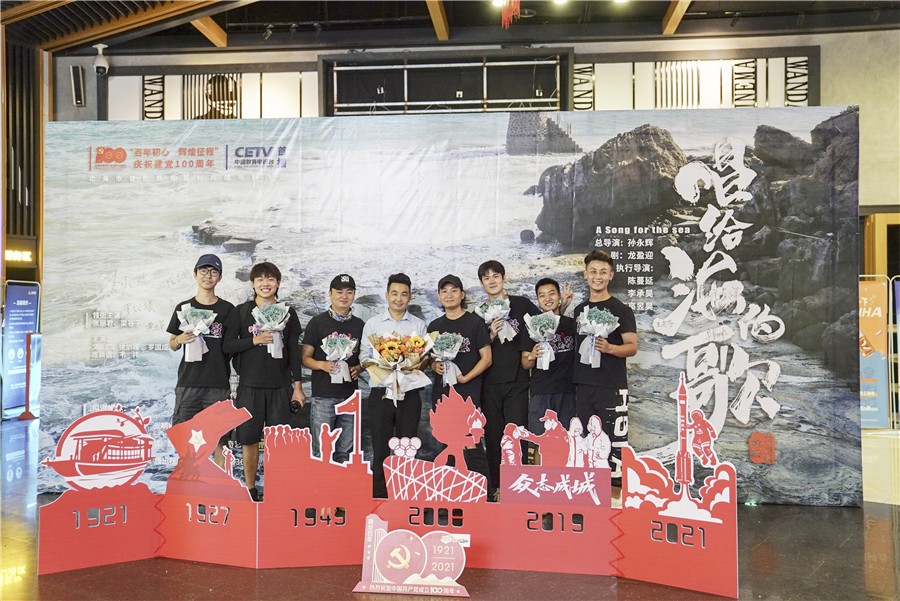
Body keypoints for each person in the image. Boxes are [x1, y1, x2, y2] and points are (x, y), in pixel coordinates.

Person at [223, 262, 304, 501]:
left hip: (280, 386)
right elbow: (227, 345)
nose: (265, 284)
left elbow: (293, 351)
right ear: (253, 284)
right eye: (260, 279)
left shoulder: (288, 313)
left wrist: (298, 387)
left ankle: (277, 490)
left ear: (278, 283)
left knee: (278, 442)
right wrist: (254, 340)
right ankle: (250, 489)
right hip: (250, 386)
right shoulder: (241, 311)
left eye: (270, 279)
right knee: (248, 439)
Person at [572, 249, 637, 500]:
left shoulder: (621, 309)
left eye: (602, 272)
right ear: (585, 275)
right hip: (583, 385)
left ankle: (615, 502)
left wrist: (610, 348)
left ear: (611, 275)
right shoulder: (579, 310)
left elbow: (632, 347)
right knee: (587, 443)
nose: (597, 276)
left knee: (614, 444)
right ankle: (591, 498)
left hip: (611, 386)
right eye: (593, 272)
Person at [360, 273, 428, 498]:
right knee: (380, 446)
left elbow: (425, 358)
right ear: (387, 295)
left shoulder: (418, 325)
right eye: (395, 293)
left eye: (404, 294)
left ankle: (405, 494)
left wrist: (411, 364)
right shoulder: (373, 324)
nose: (399, 299)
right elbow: (363, 356)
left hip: (409, 394)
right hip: (381, 393)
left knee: (407, 445)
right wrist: (382, 363)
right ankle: (379, 496)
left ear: (410, 297)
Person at [476, 260, 539, 500]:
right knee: (493, 436)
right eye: (486, 277)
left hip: (517, 380)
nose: (492, 281)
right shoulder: (479, 314)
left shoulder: (521, 304)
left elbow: (541, 327)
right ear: (482, 283)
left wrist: (560, 309)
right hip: (489, 383)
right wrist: (490, 334)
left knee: (517, 434)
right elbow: (474, 352)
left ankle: (518, 487)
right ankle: (496, 487)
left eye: (496, 276)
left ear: (503, 278)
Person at [166, 254, 234, 468]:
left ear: (220, 277)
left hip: (218, 383)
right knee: (185, 438)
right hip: (188, 382)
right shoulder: (184, 308)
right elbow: (172, 344)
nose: (208, 276)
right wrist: (180, 339)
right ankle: (189, 483)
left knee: (220, 440)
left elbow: (232, 346)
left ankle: (221, 484)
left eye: (213, 272)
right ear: (195, 274)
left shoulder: (228, 309)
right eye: (203, 271)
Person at [427, 274, 492, 486]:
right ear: (439, 296)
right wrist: (434, 366)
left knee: (471, 442)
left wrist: (465, 378)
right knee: (446, 444)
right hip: (443, 395)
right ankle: (451, 492)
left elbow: (487, 359)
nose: (449, 295)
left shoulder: (475, 322)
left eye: (454, 290)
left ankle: (484, 491)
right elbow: (429, 359)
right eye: (444, 291)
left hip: (468, 394)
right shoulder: (434, 326)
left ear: (462, 294)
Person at [300, 274, 364, 464]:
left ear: (354, 295)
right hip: (323, 396)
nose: (344, 296)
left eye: (349, 292)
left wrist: (359, 368)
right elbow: (305, 358)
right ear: (330, 293)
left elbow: (366, 358)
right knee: (321, 451)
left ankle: (343, 483)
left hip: (350, 396)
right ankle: (320, 484)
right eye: (339, 291)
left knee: (345, 452)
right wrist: (322, 365)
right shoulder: (317, 322)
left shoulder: (360, 325)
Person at [520, 277, 576, 440]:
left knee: (567, 440)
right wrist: (532, 355)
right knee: (540, 441)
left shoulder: (571, 324)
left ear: (559, 297)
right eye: (542, 295)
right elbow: (525, 364)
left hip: (567, 391)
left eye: (552, 293)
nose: (547, 298)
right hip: (541, 391)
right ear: (538, 300)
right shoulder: (531, 326)